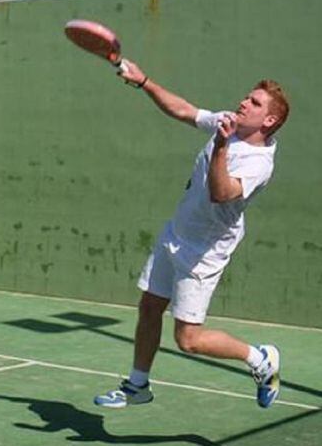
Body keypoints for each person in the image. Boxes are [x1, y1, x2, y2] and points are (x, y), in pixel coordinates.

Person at [93, 59, 289, 410]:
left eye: (255, 103)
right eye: (247, 97)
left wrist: (221, 146)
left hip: (203, 252)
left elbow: (222, 193)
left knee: (189, 340)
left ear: (270, 120)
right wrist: (143, 81)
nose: (244, 103)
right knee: (150, 306)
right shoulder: (229, 125)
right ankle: (137, 386)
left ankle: (259, 359)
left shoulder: (259, 161)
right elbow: (184, 110)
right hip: (176, 232)